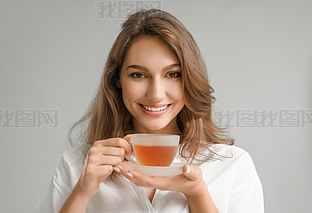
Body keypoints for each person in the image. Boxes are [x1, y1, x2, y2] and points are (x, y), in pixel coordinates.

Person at [36, 9, 264, 213]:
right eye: (138, 75)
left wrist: (197, 195)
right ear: (117, 80)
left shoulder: (233, 165)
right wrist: (83, 191)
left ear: (190, 80)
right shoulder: (77, 165)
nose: (155, 94)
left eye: (172, 74)